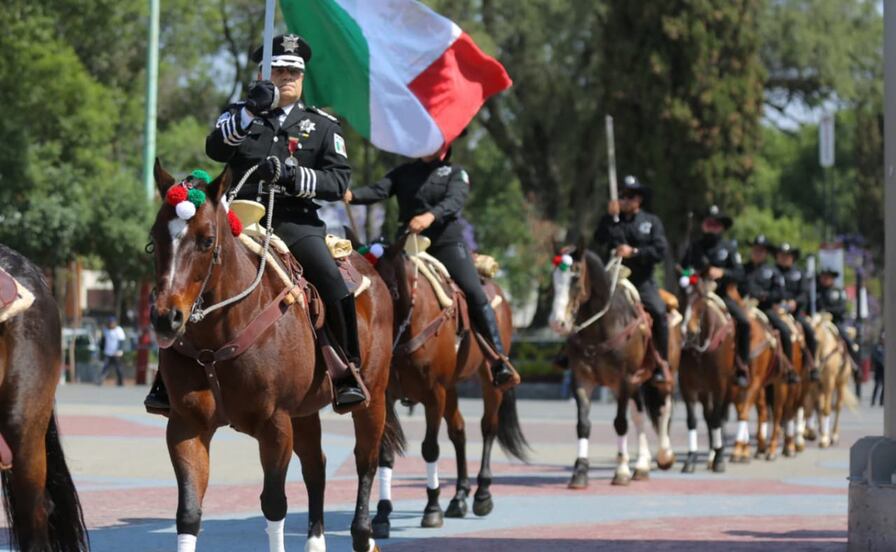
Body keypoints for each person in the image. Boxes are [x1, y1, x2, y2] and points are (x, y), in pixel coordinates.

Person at [144, 34, 366, 413]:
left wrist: (293, 175)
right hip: (238, 219)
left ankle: (347, 368)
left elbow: (338, 181)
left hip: (295, 223)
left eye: (294, 71)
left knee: (330, 279)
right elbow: (215, 149)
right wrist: (251, 111)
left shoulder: (323, 125)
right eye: (279, 69)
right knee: (189, 273)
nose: (287, 77)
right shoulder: (240, 115)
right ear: (264, 72)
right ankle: (167, 377)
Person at [345, 144, 516, 388]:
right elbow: (378, 190)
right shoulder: (403, 172)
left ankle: (499, 360)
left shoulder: (456, 173)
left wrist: (429, 216)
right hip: (407, 243)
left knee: (475, 292)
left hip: (446, 243)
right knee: (381, 288)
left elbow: (454, 201)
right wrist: (351, 195)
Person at [593, 175, 670, 383]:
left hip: (641, 281)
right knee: (585, 305)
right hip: (612, 279)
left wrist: (633, 252)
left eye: (630, 196)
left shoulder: (651, 222)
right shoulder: (611, 220)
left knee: (660, 312)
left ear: (639, 199)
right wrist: (608, 218)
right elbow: (598, 240)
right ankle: (572, 354)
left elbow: (660, 251)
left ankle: (662, 361)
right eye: (622, 195)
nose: (625, 200)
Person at [681, 205, 750, 387]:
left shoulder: (729, 248)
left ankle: (742, 365)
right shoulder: (694, 247)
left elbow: (740, 274)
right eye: (708, 223)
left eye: (715, 224)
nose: (711, 227)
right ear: (704, 225)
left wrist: (722, 273)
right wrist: (694, 276)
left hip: (721, 294)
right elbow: (683, 270)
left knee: (744, 322)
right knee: (678, 318)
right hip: (697, 294)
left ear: (721, 227)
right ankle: (677, 360)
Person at [740, 235, 798, 384]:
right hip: (745, 306)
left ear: (766, 253)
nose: (757, 253)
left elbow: (780, 292)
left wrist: (765, 296)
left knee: (785, 330)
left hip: (765, 309)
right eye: (755, 250)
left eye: (761, 251)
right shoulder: (743, 269)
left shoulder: (773, 271)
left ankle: (789, 368)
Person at [775, 242, 819, 381]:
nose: (784, 258)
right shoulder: (772, 271)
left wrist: (795, 302)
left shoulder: (799, 273)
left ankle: (811, 366)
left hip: (796, 313)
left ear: (792, 257)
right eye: (781, 255)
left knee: (810, 332)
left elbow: (804, 294)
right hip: (776, 311)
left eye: (787, 256)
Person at [816, 267, 859, 366]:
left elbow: (842, 308)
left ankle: (855, 365)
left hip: (836, 321)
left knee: (845, 336)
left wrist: (828, 311)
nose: (825, 279)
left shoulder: (839, 291)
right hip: (820, 321)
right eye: (823, 277)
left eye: (828, 277)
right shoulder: (816, 291)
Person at [99, 316, 127, 386]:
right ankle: (101, 380)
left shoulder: (118, 330)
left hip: (117, 353)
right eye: (109, 323)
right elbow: (103, 340)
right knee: (105, 366)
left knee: (118, 368)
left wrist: (119, 350)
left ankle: (120, 381)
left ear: (115, 323)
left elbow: (121, 341)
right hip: (108, 352)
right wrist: (101, 348)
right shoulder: (106, 330)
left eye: (112, 323)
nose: (111, 324)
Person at [871, 332, 884, 406]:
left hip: (885, 370)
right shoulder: (877, 347)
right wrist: (881, 362)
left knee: (884, 386)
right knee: (877, 385)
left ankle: (881, 401)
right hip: (878, 369)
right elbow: (875, 356)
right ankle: (873, 401)